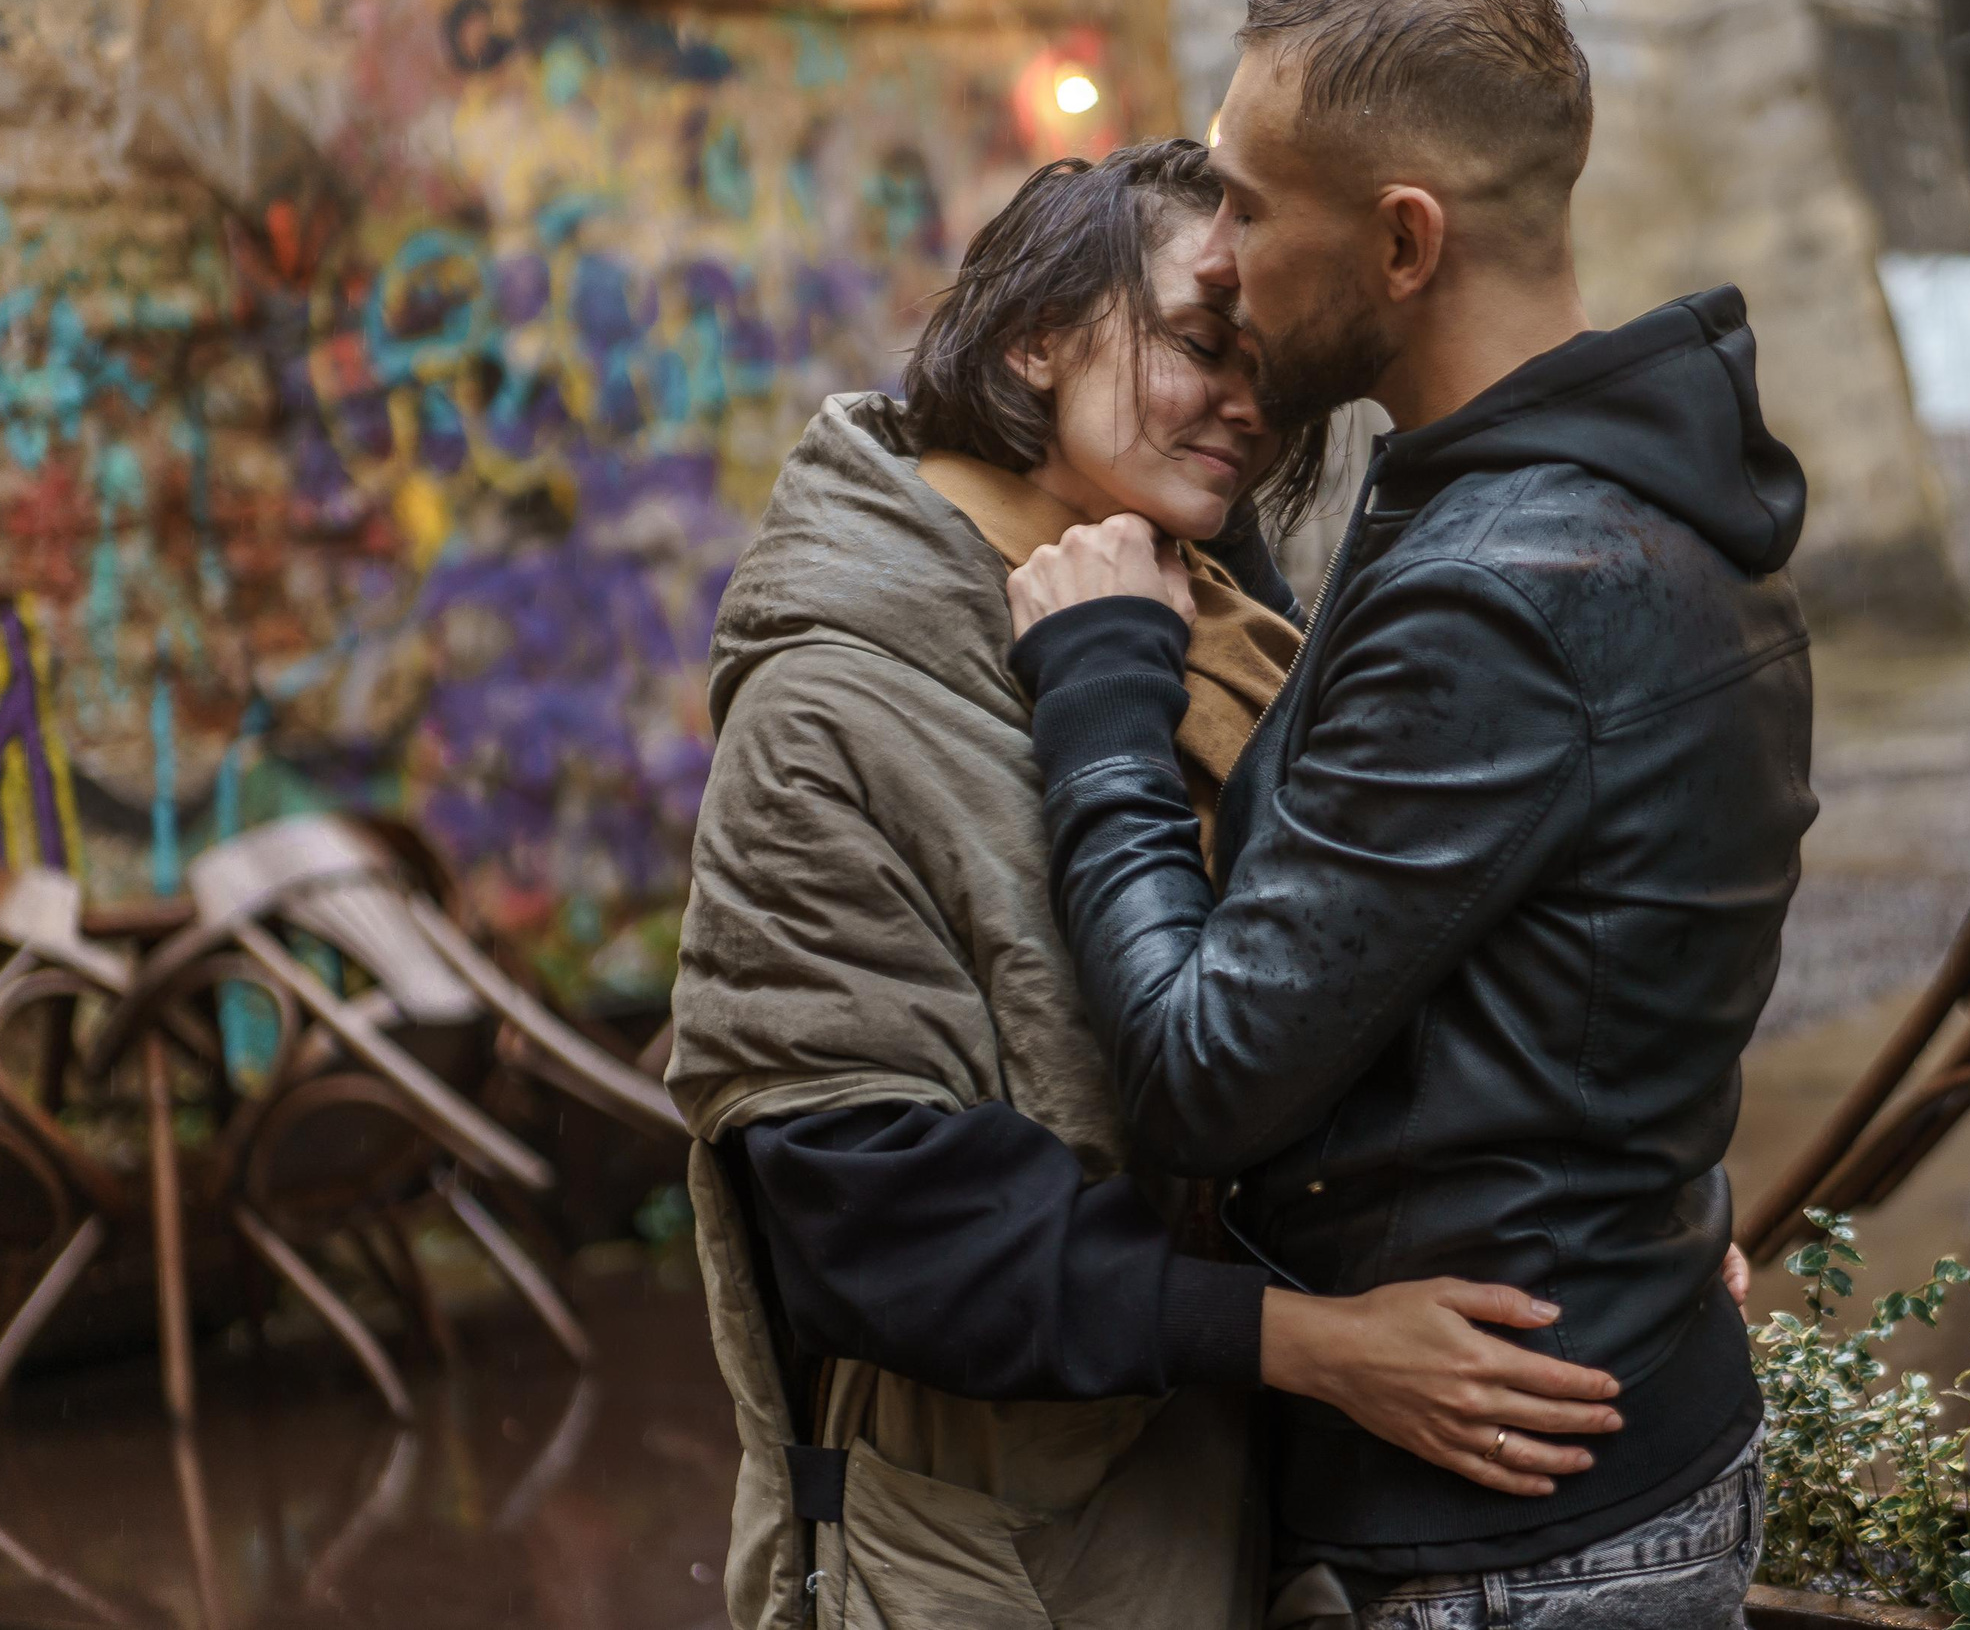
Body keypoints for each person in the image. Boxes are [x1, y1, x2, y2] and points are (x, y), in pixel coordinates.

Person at [666, 139, 1633, 1630]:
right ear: (1033, 332)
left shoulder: (1219, 625)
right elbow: (873, 1224)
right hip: (997, 1554)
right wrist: (1311, 1343)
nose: (1247, 402)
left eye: (1268, 366)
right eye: (1197, 343)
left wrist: (1614, 1226)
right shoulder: (832, 712)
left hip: (1242, 1490)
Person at [1004, 0, 1815, 1627]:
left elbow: (1207, 1074)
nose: (1214, 263)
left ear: (1401, 241)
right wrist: (1648, 1216)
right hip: (1609, 1456)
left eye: (1243, 208)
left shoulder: (1498, 591)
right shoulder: (1636, 502)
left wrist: (1098, 697)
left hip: (1512, 1552)